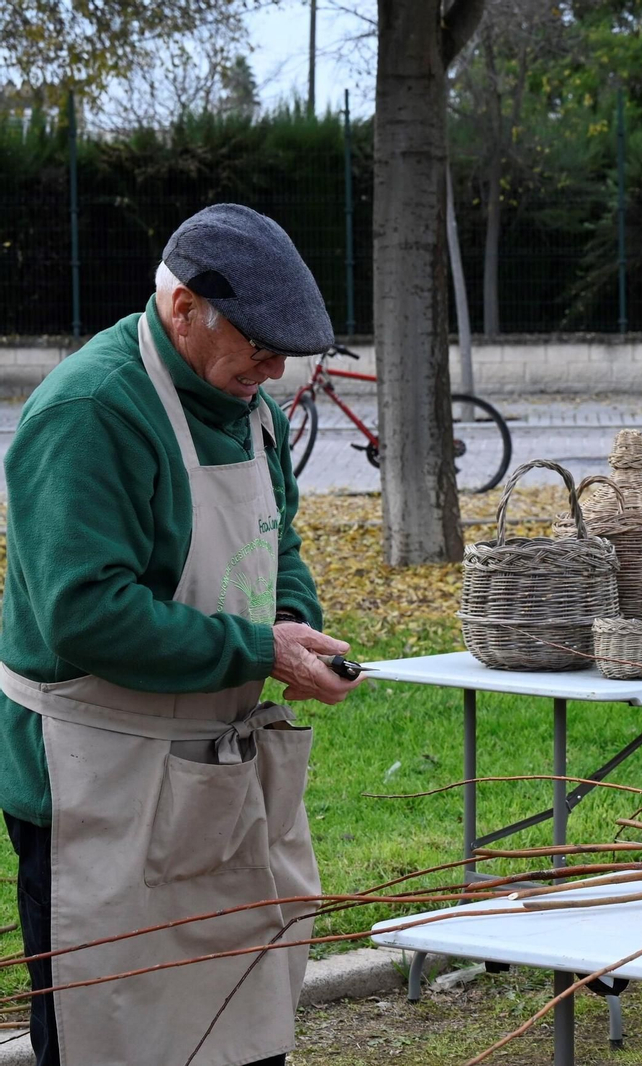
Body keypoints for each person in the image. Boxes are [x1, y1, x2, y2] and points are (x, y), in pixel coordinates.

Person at [0, 203, 362, 1066]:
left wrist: (292, 621)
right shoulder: (89, 412)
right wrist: (257, 651)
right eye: (260, 346)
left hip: (217, 771)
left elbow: (278, 538)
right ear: (184, 308)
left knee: (237, 1017)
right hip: (97, 781)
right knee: (112, 1030)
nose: (275, 371)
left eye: (288, 354)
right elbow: (85, 614)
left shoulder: (250, 406)